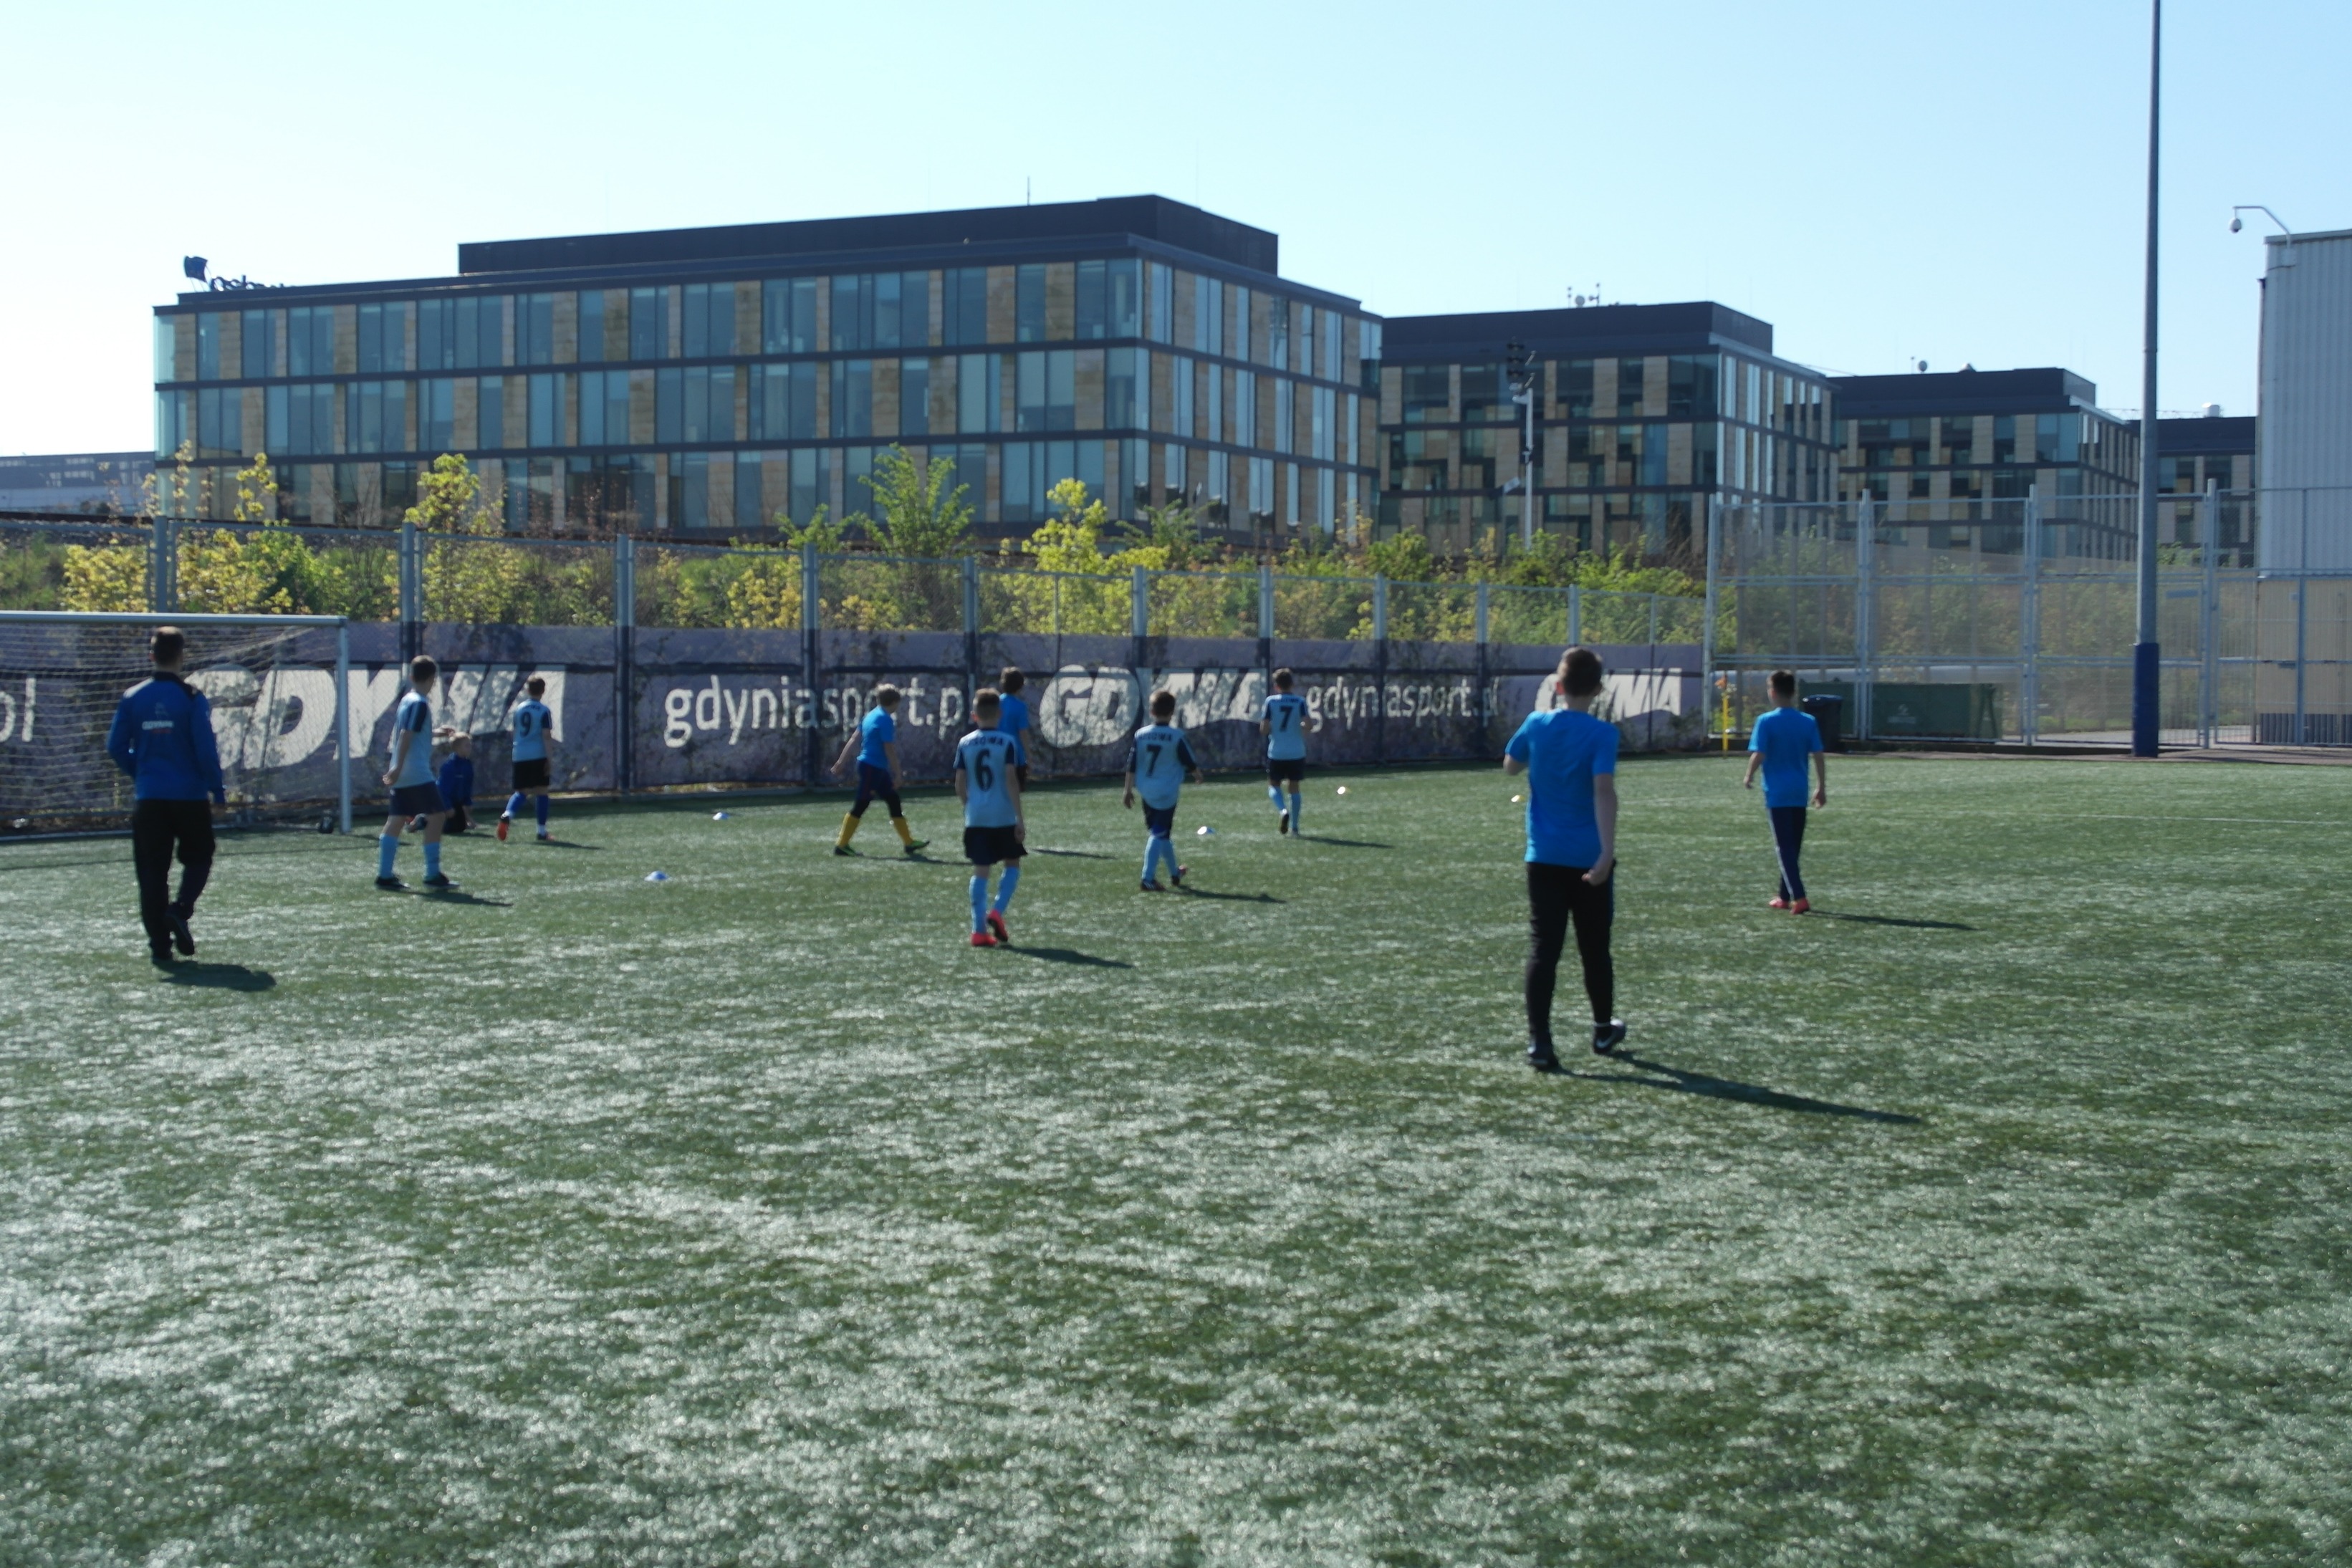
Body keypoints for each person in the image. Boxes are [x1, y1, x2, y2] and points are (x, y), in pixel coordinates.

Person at [1503, 645, 1624, 1072]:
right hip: (1588, 857)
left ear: (1558, 686)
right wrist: (1607, 852)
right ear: (1598, 690)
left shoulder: (1537, 724)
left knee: (1544, 949)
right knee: (1595, 948)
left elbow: (1510, 766)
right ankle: (1602, 1029)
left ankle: (1540, 1041)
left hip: (1544, 856)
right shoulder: (1603, 735)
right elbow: (1603, 791)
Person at [105, 625, 224, 967]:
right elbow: (205, 750)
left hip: (150, 799)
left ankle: (159, 946)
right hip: (189, 796)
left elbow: (115, 747)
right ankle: (181, 909)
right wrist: (217, 790)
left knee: (152, 873)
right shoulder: (191, 697)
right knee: (200, 857)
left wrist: (142, 773)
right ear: (182, 656)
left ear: (151, 656)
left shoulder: (133, 697)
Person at [1743, 669, 1829, 913]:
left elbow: (1759, 753)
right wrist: (1821, 787)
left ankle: (1799, 896)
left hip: (1778, 792)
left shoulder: (1766, 721)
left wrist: (1749, 774)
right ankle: (1783, 896)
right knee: (1794, 847)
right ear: (1794, 692)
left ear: (1772, 692)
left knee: (1784, 847)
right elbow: (1818, 755)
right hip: (1799, 791)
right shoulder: (1807, 721)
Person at [954, 688, 1026, 947]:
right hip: (1003, 814)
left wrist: (969, 806)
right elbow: (1010, 779)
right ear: (1000, 714)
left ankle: (978, 930)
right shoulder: (1007, 742)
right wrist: (1019, 817)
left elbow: (959, 782)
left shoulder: (965, 742)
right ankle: (997, 911)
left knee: (981, 870)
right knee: (1012, 863)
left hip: (977, 816)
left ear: (974, 715)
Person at [378, 655, 457, 890]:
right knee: (438, 816)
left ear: (411, 677)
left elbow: (412, 731)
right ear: (433, 679)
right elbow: (406, 735)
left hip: (404, 769)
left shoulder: (408, 700)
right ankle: (432, 874)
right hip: (414, 770)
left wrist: (436, 732)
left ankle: (384, 875)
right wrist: (398, 767)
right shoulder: (419, 703)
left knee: (396, 820)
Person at [831, 684, 927, 857]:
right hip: (872, 768)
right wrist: (898, 773)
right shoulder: (885, 719)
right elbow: (889, 748)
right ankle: (842, 845)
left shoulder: (870, 715)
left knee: (893, 799)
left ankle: (909, 843)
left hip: (873, 768)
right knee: (862, 804)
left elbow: (854, 739)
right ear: (895, 702)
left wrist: (841, 762)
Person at [1123, 688, 1202, 891]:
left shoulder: (1141, 735)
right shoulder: (1176, 736)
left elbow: (1132, 764)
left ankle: (1174, 873)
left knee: (1162, 833)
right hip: (1167, 792)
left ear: (1152, 712)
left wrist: (1127, 790)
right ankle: (1147, 878)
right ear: (1172, 712)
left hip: (1146, 790)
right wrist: (1197, 775)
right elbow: (1189, 761)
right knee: (1159, 833)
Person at [498, 675, 557, 842]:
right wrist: (549, 759)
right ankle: (541, 832)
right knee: (542, 792)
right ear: (543, 691)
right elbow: (546, 736)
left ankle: (507, 814)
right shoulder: (544, 711)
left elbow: (515, 731)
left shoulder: (519, 709)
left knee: (521, 792)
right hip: (538, 754)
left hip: (520, 754)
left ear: (527, 690)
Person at [1261, 667, 1308, 835]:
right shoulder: (1300, 702)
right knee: (1294, 787)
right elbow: (1308, 725)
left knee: (1274, 784)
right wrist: (1299, 727)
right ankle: (1295, 827)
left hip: (1277, 751)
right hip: (1296, 751)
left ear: (1276, 686)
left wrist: (1274, 730)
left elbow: (1264, 729)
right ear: (1292, 684)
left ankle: (1283, 810)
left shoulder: (1271, 702)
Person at [998, 666, 1033, 787]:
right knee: (1014, 791)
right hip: (1015, 755)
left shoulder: (995, 703)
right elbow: (1023, 733)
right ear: (1020, 685)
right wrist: (1029, 756)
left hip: (996, 752)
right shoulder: (1020, 706)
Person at [436, 734, 476, 834]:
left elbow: (468, 786)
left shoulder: (468, 765)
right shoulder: (450, 766)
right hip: (443, 802)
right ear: (458, 748)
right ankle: (423, 819)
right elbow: (442, 790)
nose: (470, 748)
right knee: (447, 829)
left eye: (470, 745)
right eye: (467, 746)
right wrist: (448, 807)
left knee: (460, 828)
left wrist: (468, 802)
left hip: (457, 803)